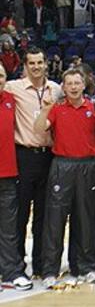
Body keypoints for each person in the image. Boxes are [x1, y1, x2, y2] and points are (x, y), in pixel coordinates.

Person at [35, 68, 95, 288]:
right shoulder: (57, 109)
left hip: (88, 167)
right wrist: (45, 109)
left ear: (84, 84)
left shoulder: (94, 108)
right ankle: (50, 270)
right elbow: (39, 129)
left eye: (77, 82)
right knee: (55, 219)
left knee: (85, 219)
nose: (73, 86)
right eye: (68, 83)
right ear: (63, 86)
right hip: (62, 166)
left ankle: (85, 268)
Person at [5, 49, 61, 278]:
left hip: (49, 156)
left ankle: (40, 264)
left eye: (40, 62)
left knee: (43, 214)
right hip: (24, 156)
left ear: (46, 64)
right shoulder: (13, 87)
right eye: (32, 63)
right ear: (25, 65)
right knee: (20, 215)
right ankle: (16, 265)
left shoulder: (56, 89)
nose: (36, 67)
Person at [0, 64, 33, 291]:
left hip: (8, 175)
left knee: (9, 228)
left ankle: (11, 272)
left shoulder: (12, 100)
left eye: (0, 76)